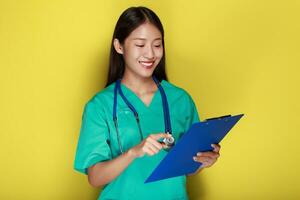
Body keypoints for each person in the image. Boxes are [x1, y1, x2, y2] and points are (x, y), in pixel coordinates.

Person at [74, 6, 221, 200]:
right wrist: (133, 152)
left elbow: (186, 167)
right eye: (140, 45)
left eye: (157, 45)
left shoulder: (180, 100)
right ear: (119, 46)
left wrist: (202, 162)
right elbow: (95, 177)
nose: (150, 54)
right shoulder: (100, 106)